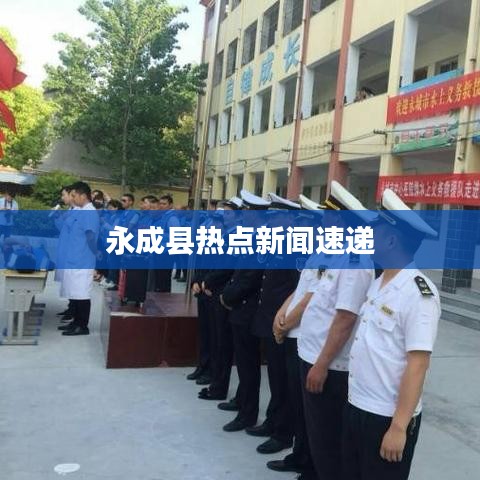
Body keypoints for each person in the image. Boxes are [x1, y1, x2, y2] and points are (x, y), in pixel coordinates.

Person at [342, 188, 440, 480]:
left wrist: (398, 427)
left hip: (386, 416)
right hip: (358, 404)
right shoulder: (380, 281)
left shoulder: (419, 293)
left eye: (374, 231)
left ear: (391, 240)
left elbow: (418, 364)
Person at [295, 181, 374, 480]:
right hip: (312, 354)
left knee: (327, 439)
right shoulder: (338, 253)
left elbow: (344, 319)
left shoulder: (355, 260)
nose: (323, 223)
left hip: (329, 365)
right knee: (317, 433)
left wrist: (321, 365)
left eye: (329, 217)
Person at [268, 194, 325, 479]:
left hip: (306, 336)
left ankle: (308, 463)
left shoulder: (332, 257)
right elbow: (299, 290)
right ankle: (299, 454)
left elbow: (312, 297)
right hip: (295, 334)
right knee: (296, 399)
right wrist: (281, 314)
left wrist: (286, 323)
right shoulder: (317, 253)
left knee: (308, 410)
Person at [246, 193, 301, 455]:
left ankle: (283, 433)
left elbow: (299, 290)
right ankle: (272, 420)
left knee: (283, 381)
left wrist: (285, 320)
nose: (270, 220)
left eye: (275, 215)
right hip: (268, 318)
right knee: (275, 378)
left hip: (283, 323)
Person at [219, 191, 267, 431]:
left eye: (247, 212)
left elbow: (250, 279)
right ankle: (240, 400)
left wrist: (228, 296)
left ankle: (247, 414)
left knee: (248, 366)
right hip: (239, 307)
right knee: (242, 363)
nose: (244, 215)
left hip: (248, 309)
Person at [57, 181, 100, 336]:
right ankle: (75, 322)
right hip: (74, 258)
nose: (73, 199)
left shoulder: (89, 212)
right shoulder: (82, 211)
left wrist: (96, 253)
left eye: (74, 196)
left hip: (83, 259)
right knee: (75, 292)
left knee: (82, 294)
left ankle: (82, 326)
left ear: (83, 195)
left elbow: (90, 236)